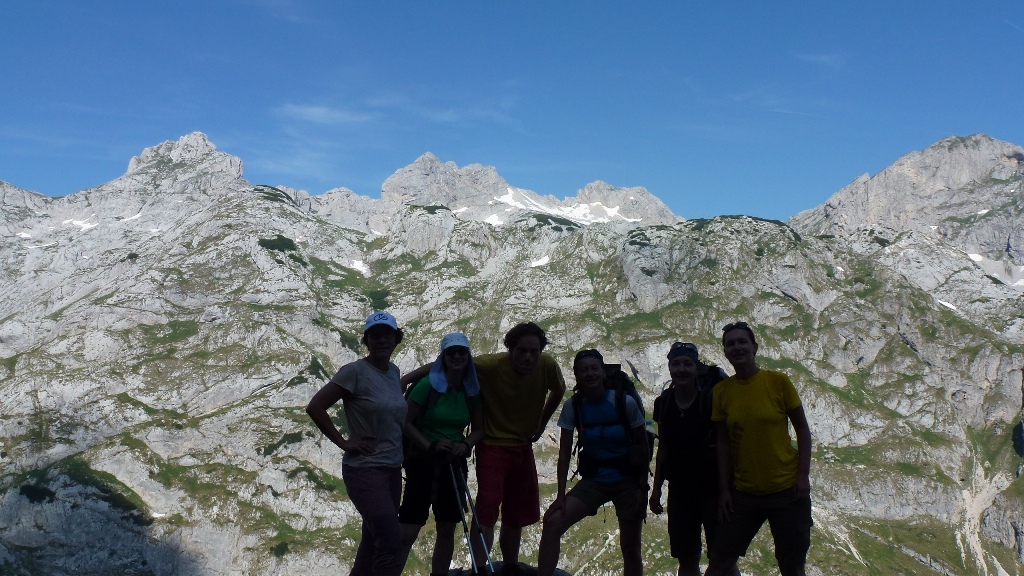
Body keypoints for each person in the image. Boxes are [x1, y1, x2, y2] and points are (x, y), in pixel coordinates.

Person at [704, 322, 813, 576]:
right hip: (744, 493)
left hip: (787, 490)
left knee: (792, 565)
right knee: (719, 560)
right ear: (725, 351)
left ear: (754, 347)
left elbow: (802, 430)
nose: (737, 347)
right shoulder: (721, 392)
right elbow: (723, 443)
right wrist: (724, 490)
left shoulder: (778, 382)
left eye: (742, 341)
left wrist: (802, 475)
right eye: (730, 344)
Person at [305, 311, 407, 576]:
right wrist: (343, 442)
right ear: (367, 340)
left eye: (387, 335)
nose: (382, 340)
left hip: (392, 470)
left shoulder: (393, 372)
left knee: (372, 543)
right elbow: (315, 406)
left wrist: (431, 369)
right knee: (391, 542)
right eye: (375, 335)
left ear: (396, 339)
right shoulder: (354, 371)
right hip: (365, 470)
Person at [537, 348, 648, 576]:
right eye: (583, 370)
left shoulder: (624, 402)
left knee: (631, 549)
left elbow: (643, 445)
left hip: (627, 481)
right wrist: (560, 496)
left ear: (603, 372)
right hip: (595, 481)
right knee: (553, 523)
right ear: (576, 376)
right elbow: (564, 453)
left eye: (594, 368)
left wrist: (642, 487)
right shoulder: (573, 406)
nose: (590, 374)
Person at [397, 332, 485, 576]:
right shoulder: (428, 385)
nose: (457, 356)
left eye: (461, 352)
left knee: (447, 528)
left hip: (453, 463)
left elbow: (479, 430)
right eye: (451, 352)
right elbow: (405, 421)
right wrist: (430, 445)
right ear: (443, 356)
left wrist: (465, 444)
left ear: (468, 355)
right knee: (409, 529)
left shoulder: (471, 390)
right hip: (422, 463)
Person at [650, 342, 739, 576]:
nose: (681, 369)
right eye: (676, 364)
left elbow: (724, 444)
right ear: (669, 368)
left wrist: (726, 491)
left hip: (712, 491)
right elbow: (663, 447)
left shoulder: (710, 400)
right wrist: (656, 489)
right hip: (680, 492)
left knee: (722, 558)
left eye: (687, 364)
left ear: (696, 367)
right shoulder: (664, 403)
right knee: (687, 558)